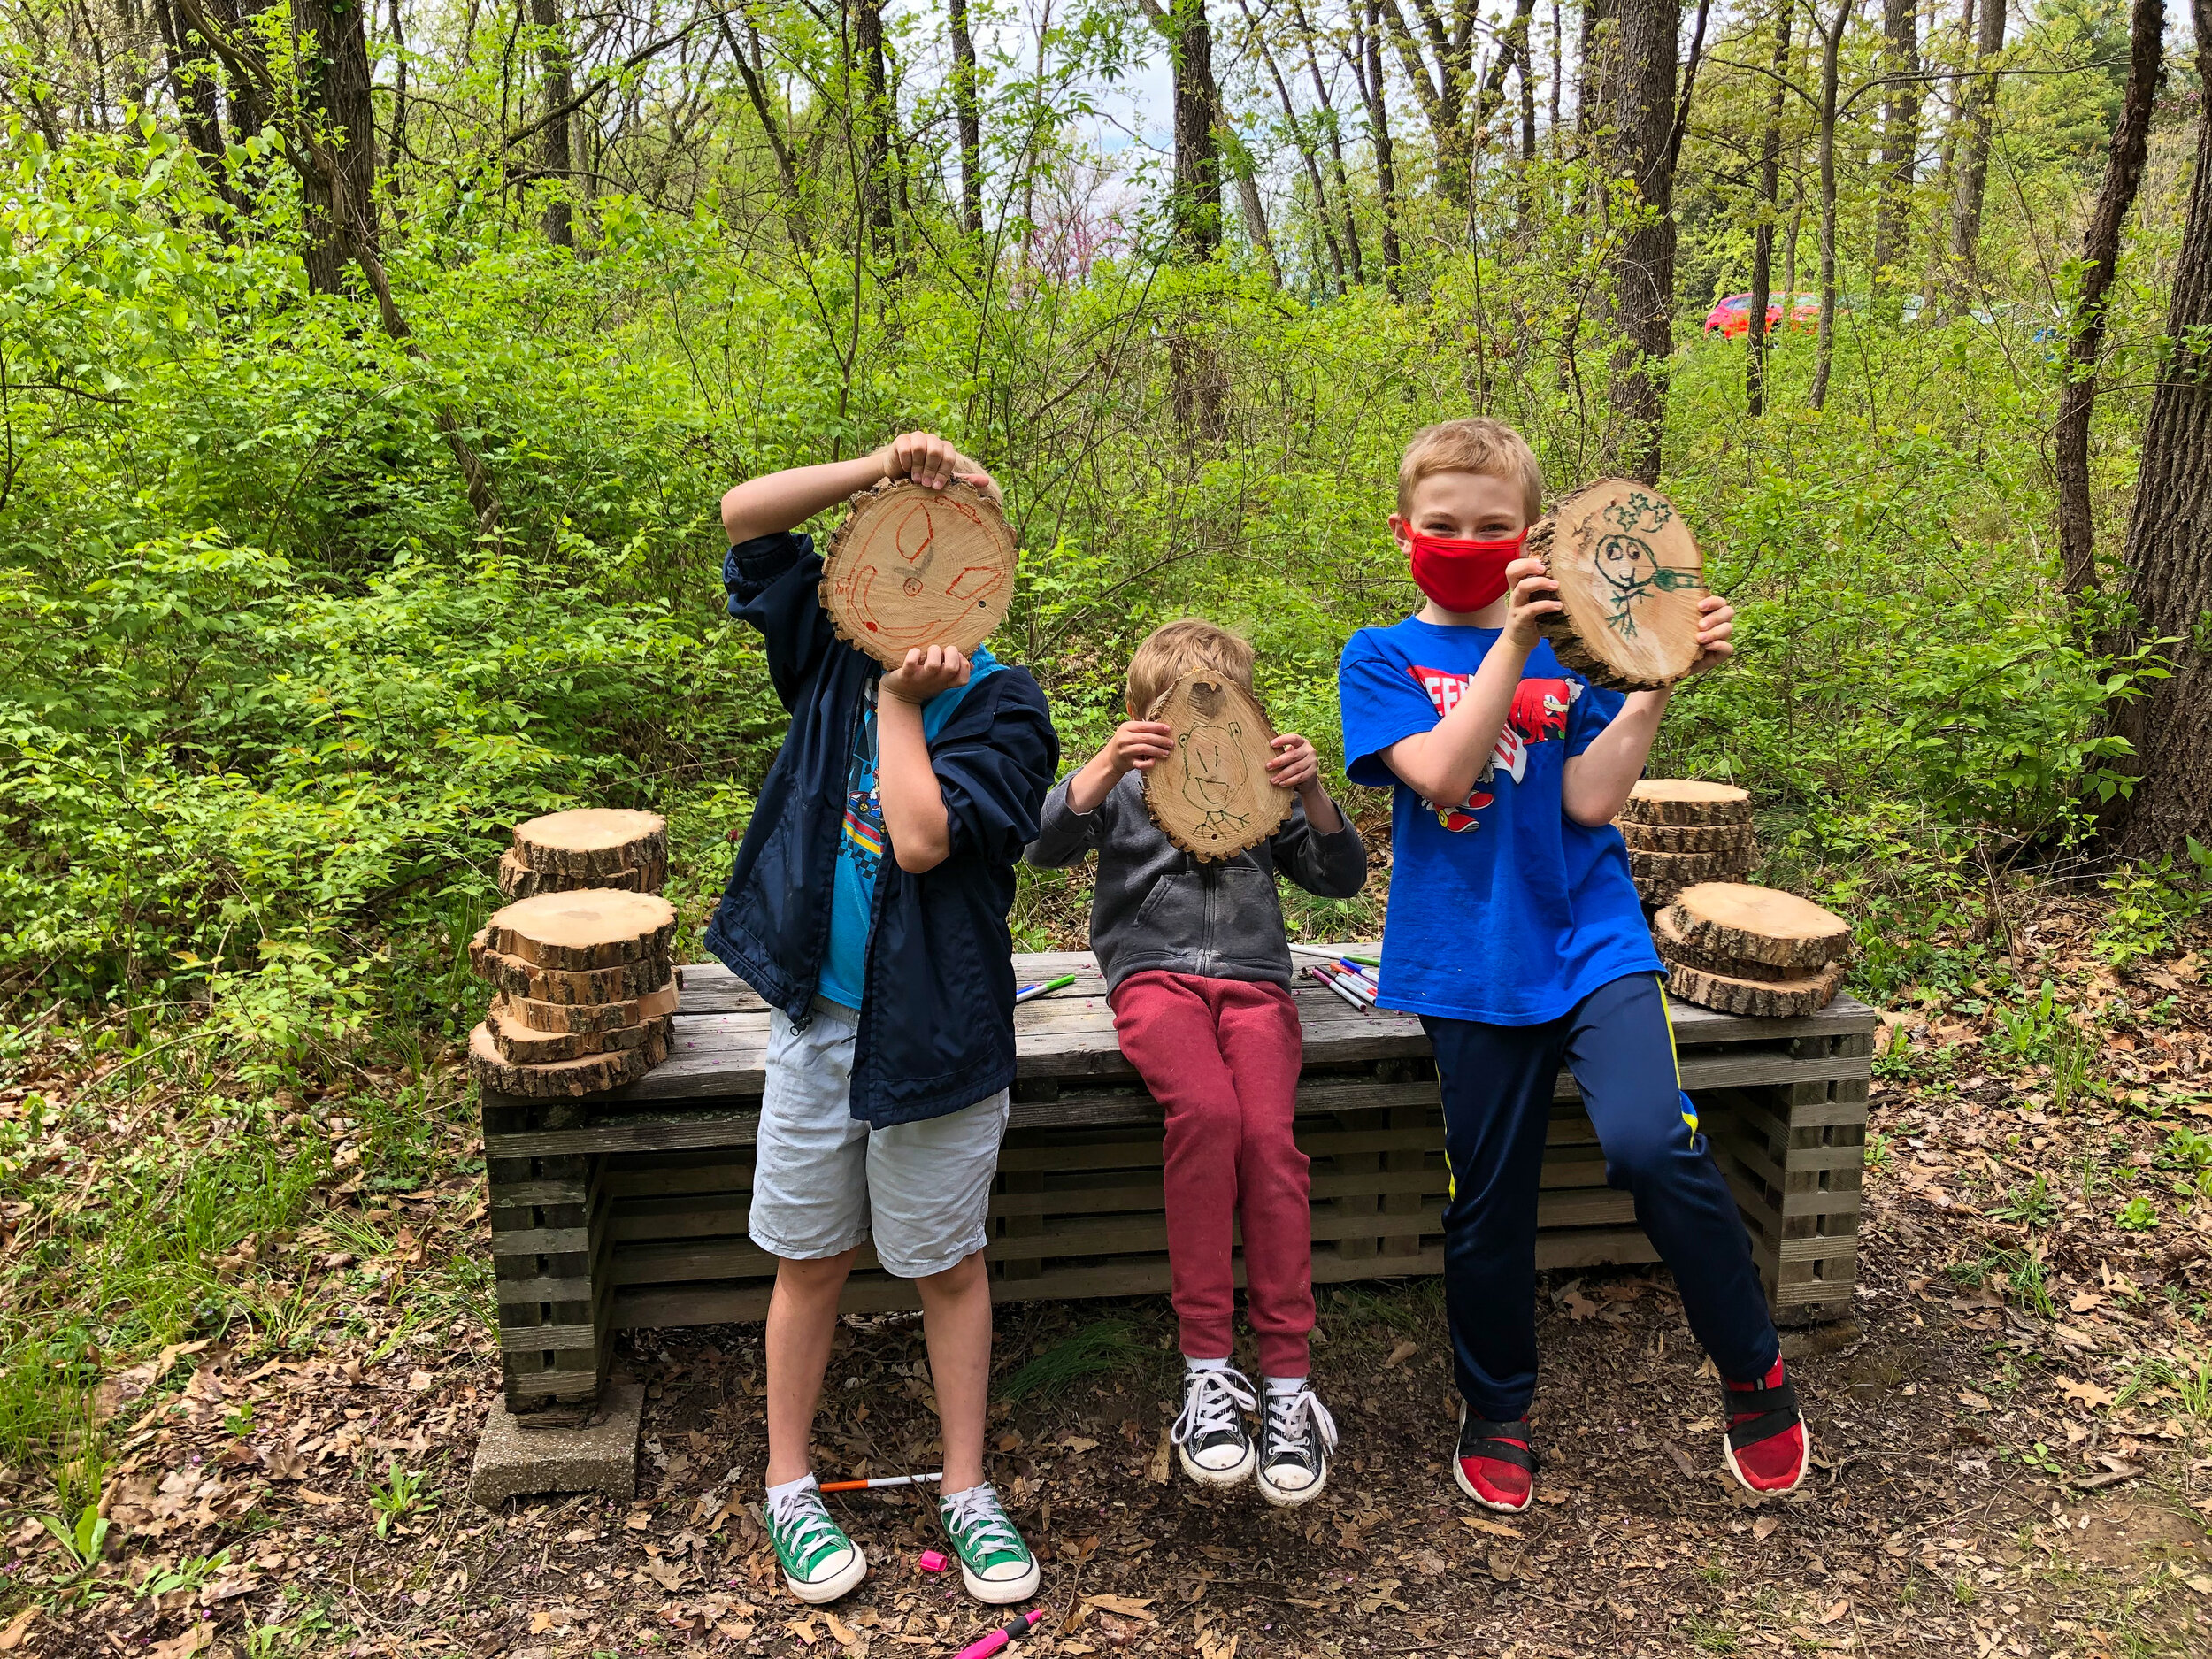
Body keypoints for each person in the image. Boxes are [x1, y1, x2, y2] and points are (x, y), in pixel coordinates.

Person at [1334, 419, 1809, 1513]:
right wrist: (1509, 643)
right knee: (1488, 1198)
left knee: (1651, 1141)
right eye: (1441, 523)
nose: (1464, 539)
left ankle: (1753, 1369)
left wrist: (1657, 674)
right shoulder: (1380, 655)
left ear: (1530, 538)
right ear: (1404, 529)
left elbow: (1592, 800)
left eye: (1491, 526)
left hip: (1592, 936)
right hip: (1467, 958)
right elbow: (1445, 782)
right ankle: (1496, 1408)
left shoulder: (1583, 646)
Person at [709, 433, 1058, 1605]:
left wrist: (907, 703)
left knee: (947, 1264)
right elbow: (744, 516)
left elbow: (919, 837)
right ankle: (788, 1482)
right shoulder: (832, 649)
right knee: (809, 1261)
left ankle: (966, 1486)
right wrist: (872, 470)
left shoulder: (1007, 706)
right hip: (821, 1021)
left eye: (958, 540)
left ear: (990, 567)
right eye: (905, 537)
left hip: (940, 1037)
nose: (926, 564)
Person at [1027, 619, 1368, 1505]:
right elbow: (1044, 843)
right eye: (1168, 712)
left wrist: (1313, 794)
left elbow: (1337, 877)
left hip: (1256, 984)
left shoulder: (1260, 779)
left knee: (1268, 1141)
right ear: (1143, 713)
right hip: (1153, 979)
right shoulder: (1125, 783)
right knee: (1208, 1117)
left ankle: (1288, 1381)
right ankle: (1208, 1372)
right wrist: (1105, 765)